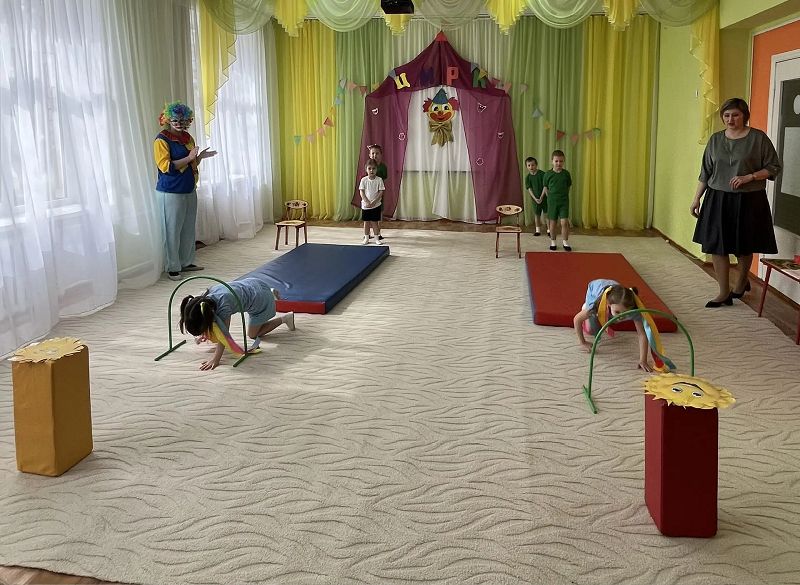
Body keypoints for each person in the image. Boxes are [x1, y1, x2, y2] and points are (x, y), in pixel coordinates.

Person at [690, 97, 782, 308]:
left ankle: (740, 283)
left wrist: (750, 176)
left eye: (735, 115)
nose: (730, 119)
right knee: (716, 244)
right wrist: (696, 198)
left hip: (749, 199)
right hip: (717, 198)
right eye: (726, 115)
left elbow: (773, 167)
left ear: (745, 116)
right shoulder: (715, 140)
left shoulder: (758, 138)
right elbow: (706, 171)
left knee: (744, 245)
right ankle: (723, 292)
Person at [154, 101, 217, 281]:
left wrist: (199, 157)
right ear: (168, 120)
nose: (179, 124)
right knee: (171, 230)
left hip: (189, 188)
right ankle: (172, 266)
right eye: (175, 120)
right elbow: (166, 167)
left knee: (188, 228)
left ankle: (186, 262)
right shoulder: (161, 140)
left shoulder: (188, 138)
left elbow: (191, 163)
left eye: (183, 121)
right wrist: (189, 157)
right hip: (170, 192)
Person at [179, 278, 295, 370]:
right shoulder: (204, 300)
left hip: (259, 300)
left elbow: (224, 335)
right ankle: (270, 292)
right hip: (254, 284)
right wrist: (204, 334)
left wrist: (216, 359)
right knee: (250, 294)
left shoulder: (224, 307)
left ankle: (285, 318)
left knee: (253, 334)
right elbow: (210, 322)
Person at [573, 280, 653, 372]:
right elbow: (577, 319)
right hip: (595, 287)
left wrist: (643, 360)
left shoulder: (634, 311)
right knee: (592, 329)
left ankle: (611, 314)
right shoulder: (599, 305)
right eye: (617, 312)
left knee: (611, 319)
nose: (621, 317)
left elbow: (642, 334)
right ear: (608, 304)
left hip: (614, 291)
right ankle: (585, 307)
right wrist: (582, 342)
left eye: (626, 313)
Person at [542, 150, 573, 251]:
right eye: (556, 161)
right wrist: (551, 198)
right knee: (553, 223)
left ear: (564, 161)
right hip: (552, 203)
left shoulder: (566, 174)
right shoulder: (548, 174)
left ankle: (565, 242)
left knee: (564, 222)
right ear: (552, 161)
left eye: (561, 161)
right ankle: (553, 242)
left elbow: (568, 186)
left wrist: (563, 196)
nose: (558, 163)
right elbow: (546, 188)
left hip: (564, 202)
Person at [359, 159, 385, 245]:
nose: (371, 170)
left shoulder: (379, 180)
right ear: (366, 169)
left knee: (374, 222)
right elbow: (362, 192)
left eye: (373, 168)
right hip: (366, 206)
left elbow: (381, 192)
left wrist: (374, 202)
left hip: (376, 205)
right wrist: (367, 201)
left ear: (376, 169)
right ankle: (366, 237)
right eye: (369, 168)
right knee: (366, 222)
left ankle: (376, 238)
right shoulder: (363, 180)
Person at [524, 156, 548, 236]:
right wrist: (535, 198)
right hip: (535, 199)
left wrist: (541, 197)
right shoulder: (528, 177)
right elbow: (529, 189)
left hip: (544, 198)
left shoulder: (542, 174)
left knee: (547, 214)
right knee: (537, 214)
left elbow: (545, 186)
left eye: (533, 165)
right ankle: (538, 230)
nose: (531, 167)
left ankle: (549, 230)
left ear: (536, 165)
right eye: (529, 165)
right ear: (526, 167)